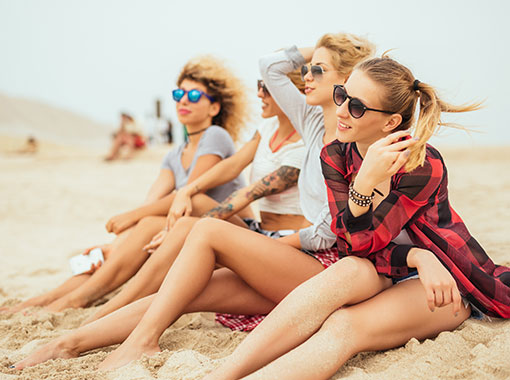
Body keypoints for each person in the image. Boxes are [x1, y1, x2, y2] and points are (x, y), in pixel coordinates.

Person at [10, 32, 376, 371]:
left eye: (318, 70)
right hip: (295, 260)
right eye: (308, 68)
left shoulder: (352, 144)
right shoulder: (313, 121)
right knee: (189, 290)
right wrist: (324, 46)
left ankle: (142, 341)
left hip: (326, 268)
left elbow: (330, 232)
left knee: (206, 232)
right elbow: (270, 65)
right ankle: (70, 342)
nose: (306, 74)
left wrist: (269, 242)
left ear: (345, 81)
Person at [202, 55, 510, 380]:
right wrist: (416, 252)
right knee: (347, 268)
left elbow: (365, 241)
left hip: (445, 281)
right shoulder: (335, 155)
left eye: (357, 107)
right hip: (386, 266)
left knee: (343, 325)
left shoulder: (420, 164)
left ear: (390, 123)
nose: (342, 110)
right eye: (341, 95)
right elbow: (352, 247)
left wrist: (362, 188)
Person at [0, 55, 249, 314]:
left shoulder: (216, 137)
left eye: (195, 96)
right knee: (115, 247)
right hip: (187, 232)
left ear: (214, 108)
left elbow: (187, 196)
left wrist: (130, 218)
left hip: (231, 233)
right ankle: (38, 302)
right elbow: (152, 202)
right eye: (179, 94)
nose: (184, 101)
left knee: (149, 222)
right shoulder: (174, 155)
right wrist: (117, 244)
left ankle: (77, 300)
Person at [80, 75, 308, 325]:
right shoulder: (267, 130)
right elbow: (232, 166)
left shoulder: (308, 140)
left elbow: (247, 194)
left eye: (267, 87)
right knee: (190, 208)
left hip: (289, 242)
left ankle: (112, 310)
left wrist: (172, 228)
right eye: (259, 86)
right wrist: (188, 192)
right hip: (261, 233)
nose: (259, 94)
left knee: (191, 225)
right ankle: (112, 303)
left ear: (291, 91)